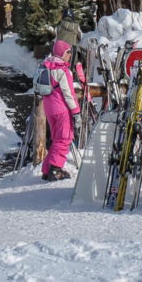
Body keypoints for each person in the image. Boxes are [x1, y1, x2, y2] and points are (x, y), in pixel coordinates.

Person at [40, 39, 81, 181]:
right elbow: (68, 93)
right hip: (61, 108)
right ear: (61, 53)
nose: (70, 55)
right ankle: (55, 170)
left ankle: (47, 169)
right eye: (67, 52)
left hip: (49, 108)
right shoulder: (62, 70)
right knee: (64, 138)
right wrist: (76, 111)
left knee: (56, 139)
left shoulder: (46, 66)